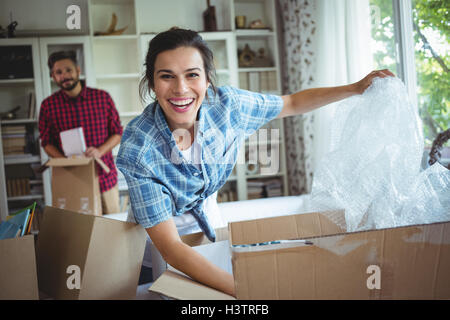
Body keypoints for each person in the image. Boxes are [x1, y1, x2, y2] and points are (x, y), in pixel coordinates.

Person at [116, 28, 394, 297]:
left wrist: (355, 88)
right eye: (167, 77)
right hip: (161, 248)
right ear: (152, 83)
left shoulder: (229, 107)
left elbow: (291, 103)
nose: (181, 89)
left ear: (207, 79)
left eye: (192, 75)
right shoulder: (139, 148)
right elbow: (171, 248)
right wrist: (249, 289)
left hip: (210, 231)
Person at [39, 50, 123, 214]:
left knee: (112, 229)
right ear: (53, 76)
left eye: (68, 70)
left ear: (78, 70)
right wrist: (65, 161)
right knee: (81, 233)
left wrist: (99, 151)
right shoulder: (48, 106)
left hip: (105, 179)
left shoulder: (102, 98)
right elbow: (46, 142)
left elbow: (117, 133)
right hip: (72, 181)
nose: (64, 75)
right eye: (58, 72)